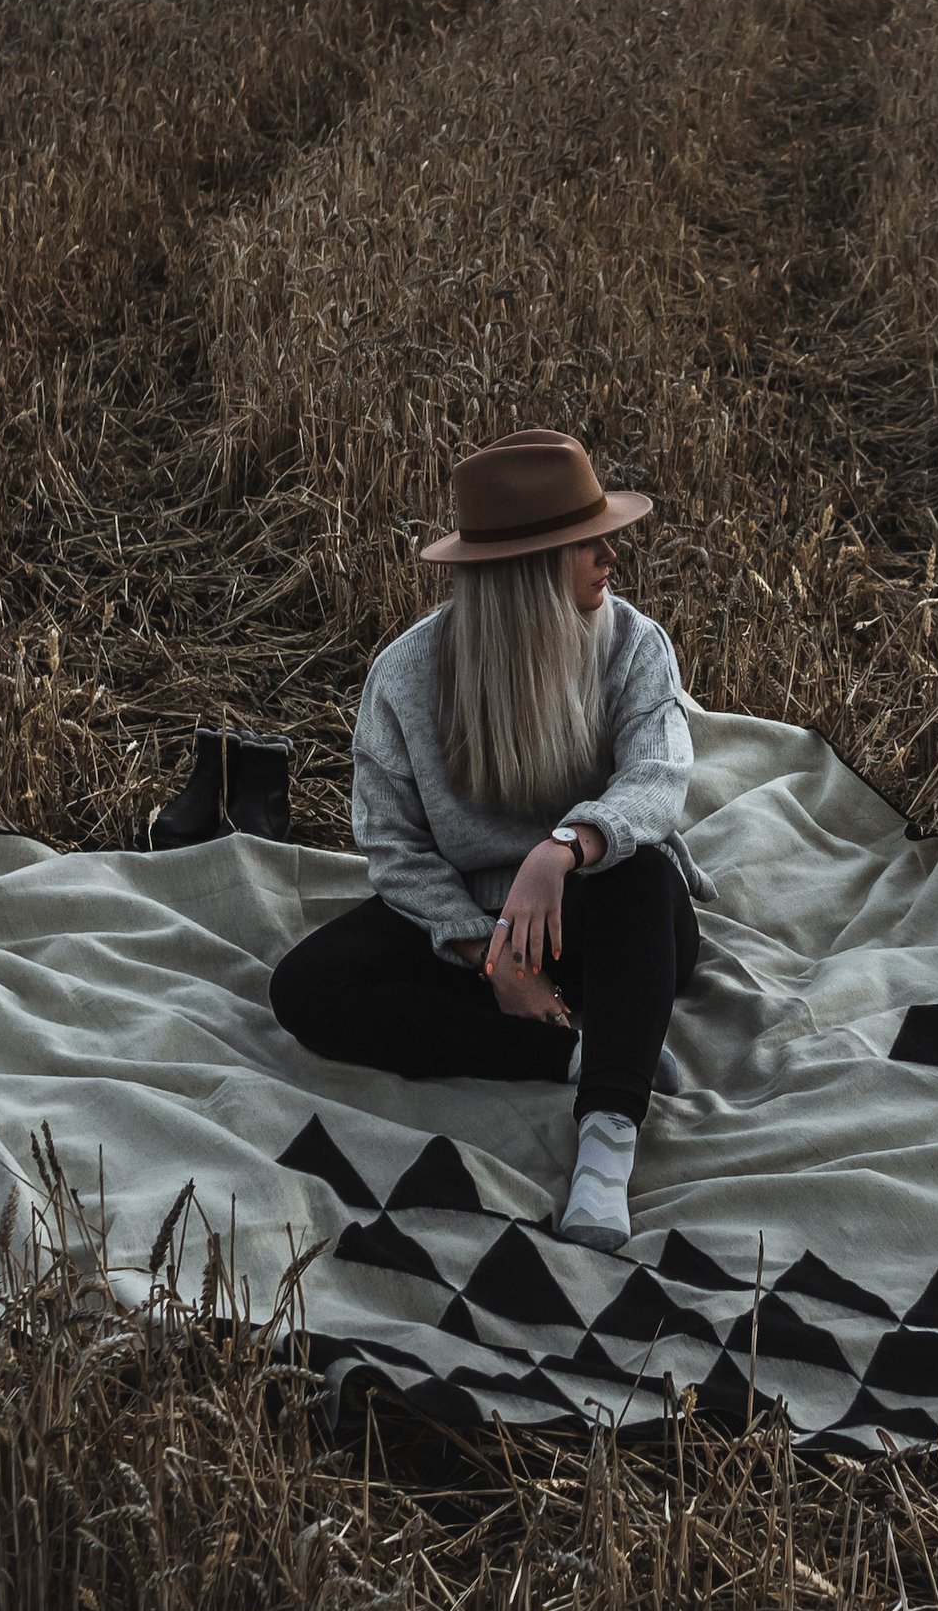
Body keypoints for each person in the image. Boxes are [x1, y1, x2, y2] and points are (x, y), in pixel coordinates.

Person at [270, 429, 710, 1250]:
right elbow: (394, 848)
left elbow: (659, 779)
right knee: (305, 988)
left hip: (601, 913)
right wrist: (487, 953)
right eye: (587, 541)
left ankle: (608, 1138)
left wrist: (562, 848)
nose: (611, 553)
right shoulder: (405, 677)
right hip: (471, 926)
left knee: (648, 884)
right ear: (530, 566)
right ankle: (578, 1054)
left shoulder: (633, 646)